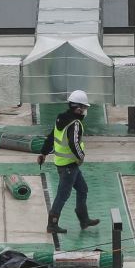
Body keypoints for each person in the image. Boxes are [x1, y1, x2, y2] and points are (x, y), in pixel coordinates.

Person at [37, 88, 99, 235]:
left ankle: (84, 219)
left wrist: (43, 152)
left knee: (83, 189)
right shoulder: (75, 124)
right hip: (69, 166)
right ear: (77, 108)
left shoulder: (61, 118)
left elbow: (52, 136)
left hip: (65, 164)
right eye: (84, 107)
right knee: (63, 195)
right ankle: (52, 224)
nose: (85, 110)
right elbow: (74, 143)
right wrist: (81, 157)